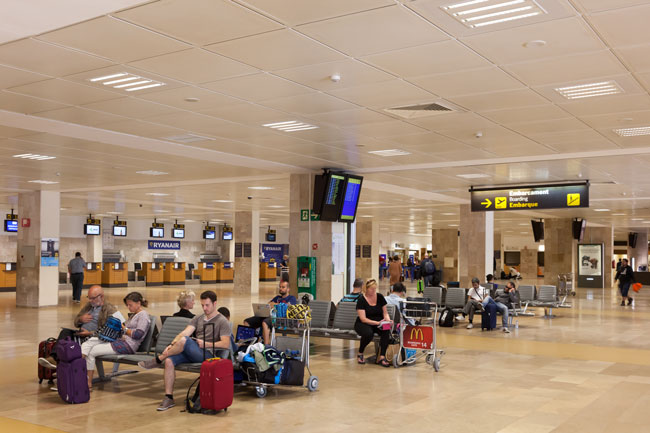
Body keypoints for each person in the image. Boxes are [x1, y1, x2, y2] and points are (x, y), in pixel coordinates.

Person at [138, 290, 231, 411]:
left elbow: (225, 344)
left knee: (184, 341)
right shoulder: (198, 318)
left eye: (207, 305)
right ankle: (168, 397)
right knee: (169, 361)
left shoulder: (222, 321)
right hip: (193, 351)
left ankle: (158, 359)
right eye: (202, 305)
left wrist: (205, 344)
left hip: (207, 354)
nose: (204, 308)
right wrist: (171, 345)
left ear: (215, 303)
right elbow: (184, 332)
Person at [81, 292, 150, 390]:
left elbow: (138, 334)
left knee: (92, 352)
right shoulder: (134, 315)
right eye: (127, 305)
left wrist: (123, 328)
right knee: (89, 343)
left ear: (138, 303)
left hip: (127, 345)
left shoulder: (143, 316)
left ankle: (87, 383)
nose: (128, 307)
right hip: (120, 341)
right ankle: (79, 371)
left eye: (130, 305)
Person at [38, 285, 117, 369]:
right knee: (65, 333)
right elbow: (76, 321)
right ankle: (54, 358)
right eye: (89, 298)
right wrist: (80, 319)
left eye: (93, 298)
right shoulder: (89, 306)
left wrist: (90, 333)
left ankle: (61, 367)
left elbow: (111, 330)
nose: (90, 301)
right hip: (81, 334)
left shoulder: (110, 309)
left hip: (93, 337)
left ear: (101, 296)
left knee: (69, 345)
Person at [243, 279, 297, 345]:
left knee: (265, 322)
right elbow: (268, 305)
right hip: (269, 315)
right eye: (280, 287)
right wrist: (273, 304)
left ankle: (266, 345)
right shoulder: (277, 297)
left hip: (280, 318)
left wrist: (275, 304)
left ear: (288, 289)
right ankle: (250, 343)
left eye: (283, 287)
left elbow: (289, 307)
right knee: (247, 322)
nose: (281, 288)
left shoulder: (291, 298)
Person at [355, 279, 392, 367]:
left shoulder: (379, 297)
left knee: (386, 330)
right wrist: (376, 323)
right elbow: (363, 319)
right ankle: (360, 353)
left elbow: (385, 313)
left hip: (378, 322)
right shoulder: (361, 300)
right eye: (371, 289)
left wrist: (388, 320)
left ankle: (381, 357)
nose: (373, 291)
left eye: (375, 289)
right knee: (368, 333)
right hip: (363, 323)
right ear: (366, 289)